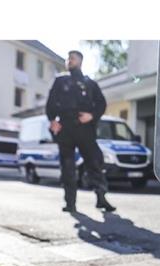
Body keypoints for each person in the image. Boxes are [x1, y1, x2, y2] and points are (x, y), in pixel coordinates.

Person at [46, 50, 115, 213]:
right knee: (67, 167)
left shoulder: (90, 83)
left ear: (80, 61)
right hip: (65, 128)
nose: (69, 60)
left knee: (95, 163)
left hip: (85, 129)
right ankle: (70, 203)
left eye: (73, 58)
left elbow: (101, 104)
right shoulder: (60, 81)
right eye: (68, 58)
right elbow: (51, 103)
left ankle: (101, 198)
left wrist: (92, 116)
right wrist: (52, 120)